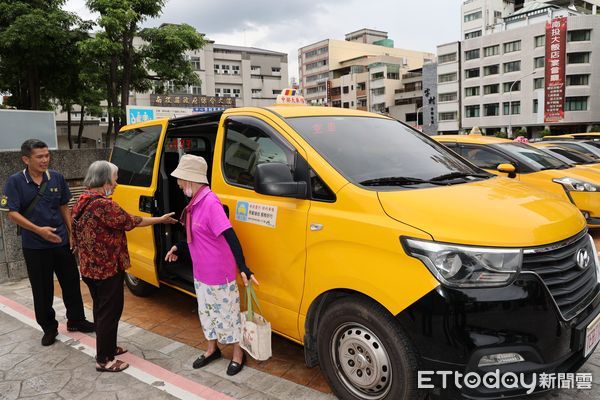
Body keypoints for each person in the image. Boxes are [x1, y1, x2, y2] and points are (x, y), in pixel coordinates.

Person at [72, 160, 177, 372]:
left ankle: (108, 347)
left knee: (102, 311)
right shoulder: (104, 204)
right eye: (115, 178)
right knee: (109, 313)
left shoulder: (82, 199)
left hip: (89, 267)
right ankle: (104, 359)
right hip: (107, 268)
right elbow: (132, 221)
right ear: (104, 180)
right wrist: (161, 219)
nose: (117, 183)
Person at [165, 154, 259, 376]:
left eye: (180, 180)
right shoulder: (194, 204)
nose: (178, 184)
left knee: (228, 316)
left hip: (219, 274)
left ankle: (238, 354)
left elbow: (230, 236)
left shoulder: (209, 202)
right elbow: (197, 236)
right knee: (207, 314)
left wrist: (243, 267)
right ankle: (212, 349)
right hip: (201, 274)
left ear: (190, 180)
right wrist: (178, 248)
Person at [0, 139, 94, 346]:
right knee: (42, 289)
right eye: (39, 156)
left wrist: (72, 233)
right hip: (35, 246)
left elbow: (64, 207)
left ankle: (76, 320)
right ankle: (49, 328)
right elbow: (12, 214)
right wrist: (38, 231)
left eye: (47, 155)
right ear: (26, 159)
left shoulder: (56, 178)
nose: (45, 160)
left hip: (61, 242)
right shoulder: (15, 182)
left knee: (71, 283)